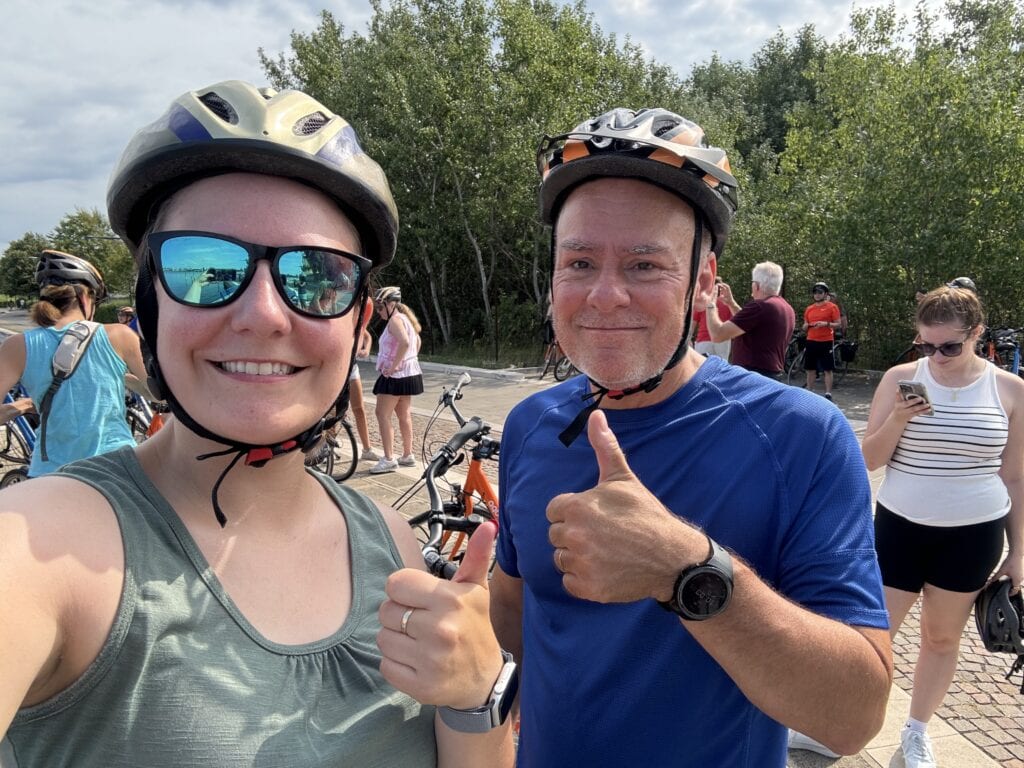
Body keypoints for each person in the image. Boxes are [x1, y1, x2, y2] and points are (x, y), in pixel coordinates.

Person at [0, 80, 515, 767]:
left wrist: (476, 695)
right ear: (149, 308)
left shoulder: (389, 545)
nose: (264, 314)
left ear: (359, 326)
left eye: (317, 276)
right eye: (205, 268)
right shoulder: (42, 547)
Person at [490, 107, 892, 767]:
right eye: (580, 261)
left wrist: (684, 569)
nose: (605, 294)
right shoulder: (533, 424)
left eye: (646, 265)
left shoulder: (802, 437)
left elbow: (852, 718)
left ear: (704, 284)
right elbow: (516, 606)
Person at [861, 284, 1024, 768]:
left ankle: (916, 733)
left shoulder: (1010, 389)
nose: (937, 356)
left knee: (941, 639)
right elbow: (867, 460)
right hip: (899, 526)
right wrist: (897, 419)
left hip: (973, 535)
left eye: (949, 346)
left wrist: (1019, 553)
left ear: (977, 333)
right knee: (872, 634)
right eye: (926, 345)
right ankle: (843, 722)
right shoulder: (900, 378)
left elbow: (1015, 475)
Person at [0, 250, 150, 477]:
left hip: (50, 475)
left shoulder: (17, 345)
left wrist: (23, 405)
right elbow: (157, 394)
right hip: (115, 471)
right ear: (86, 297)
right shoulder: (119, 335)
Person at [706, 260, 795, 378]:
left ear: (756, 285)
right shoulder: (786, 308)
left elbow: (717, 335)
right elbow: (745, 324)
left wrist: (710, 304)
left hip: (752, 374)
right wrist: (731, 303)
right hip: (771, 374)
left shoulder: (760, 306)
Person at [369, 285, 424, 474]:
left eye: (380, 307)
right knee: (404, 415)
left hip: (394, 375)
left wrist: (394, 366)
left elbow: (406, 342)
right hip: (408, 375)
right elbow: (416, 342)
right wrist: (408, 360)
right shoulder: (405, 319)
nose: (378, 312)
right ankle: (408, 454)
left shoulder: (394, 321)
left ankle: (389, 458)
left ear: (390, 304)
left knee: (382, 414)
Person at [801, 281, 841, 400]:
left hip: (826, 341)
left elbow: (838, 324)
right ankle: (809, 390)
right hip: (811, 340)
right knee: (810, 368)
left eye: (820, 292)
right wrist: (806, 326)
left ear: (825, 294)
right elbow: (805, 324)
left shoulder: (832, 307)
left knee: (827, 369)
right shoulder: (809, 308)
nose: (817, 295)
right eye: (815, 292)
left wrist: (826, 324)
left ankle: (828, 393)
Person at [692, 276, 733, 359]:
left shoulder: (703, 303)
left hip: (703, 340)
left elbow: (692, 325)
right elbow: (733, 323)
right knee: (722, 368)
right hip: (723, 339)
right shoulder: (728, 304)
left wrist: (688, 339)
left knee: (702, 367)